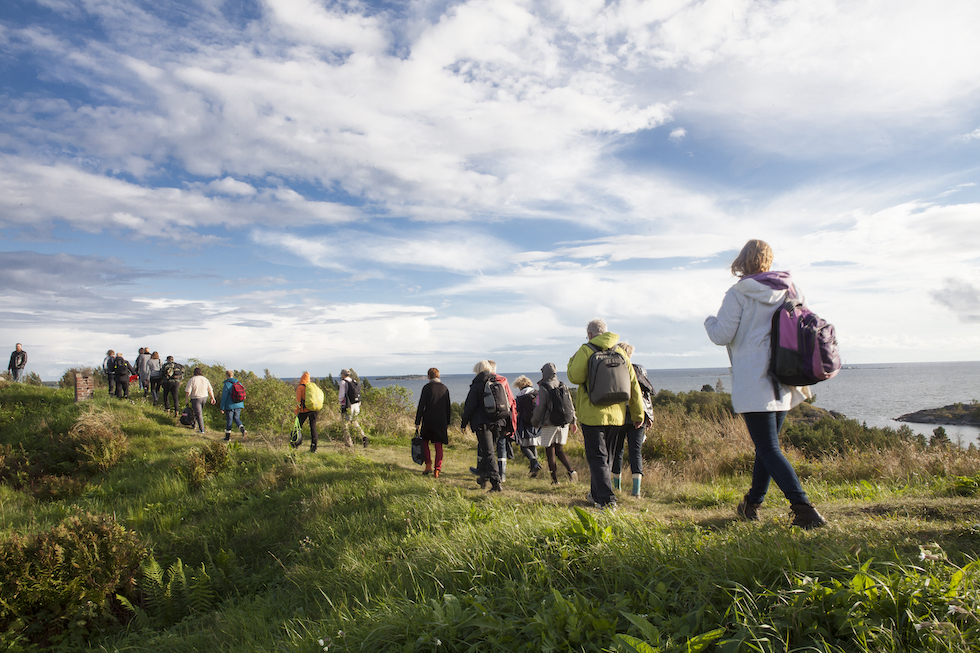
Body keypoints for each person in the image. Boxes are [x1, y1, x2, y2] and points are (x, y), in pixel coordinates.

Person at [704, 239, 827, 529]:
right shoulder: (791, 290)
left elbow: (722, 334)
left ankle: (803, 507)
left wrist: (709, 320)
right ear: (768, 261)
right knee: (766, 447)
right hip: (784, 376)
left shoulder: (739, 293)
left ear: (742, 261)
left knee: (768, 447)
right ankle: (752, 504)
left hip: (754, 378)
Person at [567, 319, 644, 510]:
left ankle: (607, 500)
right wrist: (637, 414)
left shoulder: (586, 350)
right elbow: (633, 385)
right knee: (605, 457)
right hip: (617, 415)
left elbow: (574, 377)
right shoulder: (620, 352)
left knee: (597, 458)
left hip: (592, 414)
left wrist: (572, 360)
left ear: (590, 334)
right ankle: (595, 494)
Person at [608, 343, 654, 498]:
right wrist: (649, 417)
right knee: (635, 452)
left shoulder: (613, 369)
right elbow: (645, 396)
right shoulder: (639, 370)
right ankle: (636, 491)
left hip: (618, 415)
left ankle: (617, 488)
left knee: (617, 451)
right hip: (638, 415)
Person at [460, 360, 506, 492]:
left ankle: (496, 483)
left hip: (483, 424)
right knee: (489, 451)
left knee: (489, 453)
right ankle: (483, 475)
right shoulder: (497, 382)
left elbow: (469, 406)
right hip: (498, 423)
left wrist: (464, 423)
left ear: (477, 370)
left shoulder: (477, 385)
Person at [531, 362, 579, 485]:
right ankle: (571, 471)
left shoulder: (544, 387)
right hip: (564, 422)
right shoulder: (563, 385)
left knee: (550, 451)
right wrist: (574, 421)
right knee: (559, 450)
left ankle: (555, 480)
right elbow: (570, 405)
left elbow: (540, 407)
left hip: (549, 423)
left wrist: (535, 421)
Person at [414, 367, 451, 477]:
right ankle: (437, 470)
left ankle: (428, 465)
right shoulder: (445, 388)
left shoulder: (427, 388)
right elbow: (448, 407)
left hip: (428, 419)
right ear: (438, 376)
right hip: (441, 420)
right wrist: (447, 422)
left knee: (425, 442)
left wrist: (417, 421)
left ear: (428, 376)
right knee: (438, 445)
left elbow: (421, 405)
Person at [513, 375, 543, 477]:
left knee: (523, 446)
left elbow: (515, 409)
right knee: (533, 445)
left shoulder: (521, 396)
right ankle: (534, 470)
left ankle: (534, 462)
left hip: (524, 423)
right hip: (536, 423)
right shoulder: (537, 393)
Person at [338, 369, 367, 448]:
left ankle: (348, 443)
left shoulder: (343, 382)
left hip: (348, 406)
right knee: (354, 422)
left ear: (343, 374)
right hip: (356, 405)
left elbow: (341, 396)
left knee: (345, 425)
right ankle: (363, 436)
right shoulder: (354, 382)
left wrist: (340, 404)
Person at [185, 367, 215, 433]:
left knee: (198, 413)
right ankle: (194, 424)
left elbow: (188, 391)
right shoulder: (205, 379)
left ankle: (202, 430)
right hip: (204, 397)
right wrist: (212, 397)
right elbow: (210, 389)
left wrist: (187, 399)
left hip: (196, 398)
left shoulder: (192, 379)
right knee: (198, 412)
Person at [295, 372, 320, 453]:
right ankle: (314, 448)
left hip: (304, 410)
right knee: (313, 427)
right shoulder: (312, 386)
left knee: (297, 427)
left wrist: (296, 412)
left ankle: (295, 445)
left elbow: (298, 401)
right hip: (314, 409)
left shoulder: (300, 387)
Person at [220, 370, 247, 442]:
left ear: (226, 375)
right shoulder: (239, 383)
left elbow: (224, 397)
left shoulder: (227, 384)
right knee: (237, 418)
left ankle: (227, 438)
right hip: (239, 404)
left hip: (230, 405)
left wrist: (222, 407)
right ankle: (243, 430)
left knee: (229, 420)